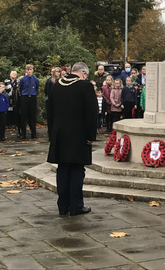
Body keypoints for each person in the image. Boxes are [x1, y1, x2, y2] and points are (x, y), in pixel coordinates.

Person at [47, 62, 97, 216]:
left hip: (60, 135)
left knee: (62, 170)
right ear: (83, 73)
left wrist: (52, 134)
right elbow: (91, 113)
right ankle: (76, 205)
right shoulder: (85, 86)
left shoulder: (57, 86)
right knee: (76, 170)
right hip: (78, 135)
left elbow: (50, 112)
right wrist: (91, 136)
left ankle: (63, 206)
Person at [19, 64, 40, 139]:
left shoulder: (35, 79)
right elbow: (21, 88)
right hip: (25, 97)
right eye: (28, 70)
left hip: (32, 98)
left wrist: (34, 94)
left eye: (30, 69)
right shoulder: (23, 79)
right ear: (26, 70)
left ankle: (33, 133)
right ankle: (23, 134)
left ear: (32, 70)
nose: (29, 71)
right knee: (23, 116)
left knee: (32, 116)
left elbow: (37, 88)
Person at [45, 67, 61, 139]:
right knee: (51, 118)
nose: (57, 73)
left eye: (59, 71)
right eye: (56, 71)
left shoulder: (62, 81)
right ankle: (51, 135)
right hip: (51, 102)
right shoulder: (50, 81)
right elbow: (47, 91)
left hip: (60, 102)